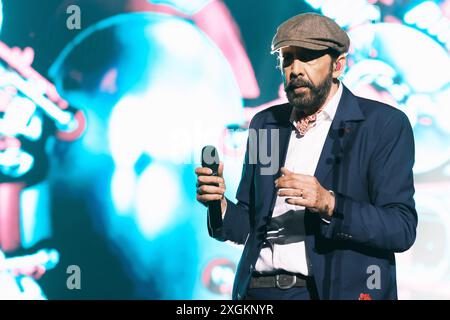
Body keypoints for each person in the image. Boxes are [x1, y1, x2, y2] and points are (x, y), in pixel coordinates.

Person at [195, 12, 417, 300]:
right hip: (258, 292)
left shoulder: (382, 125)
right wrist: (219, 205)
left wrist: (328, 203)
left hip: (325, 292)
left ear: (338, 66)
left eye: (308, 57)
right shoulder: (266, 125)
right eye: (287, 59)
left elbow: (400, 229)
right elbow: (249, 226)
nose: (295, 69)